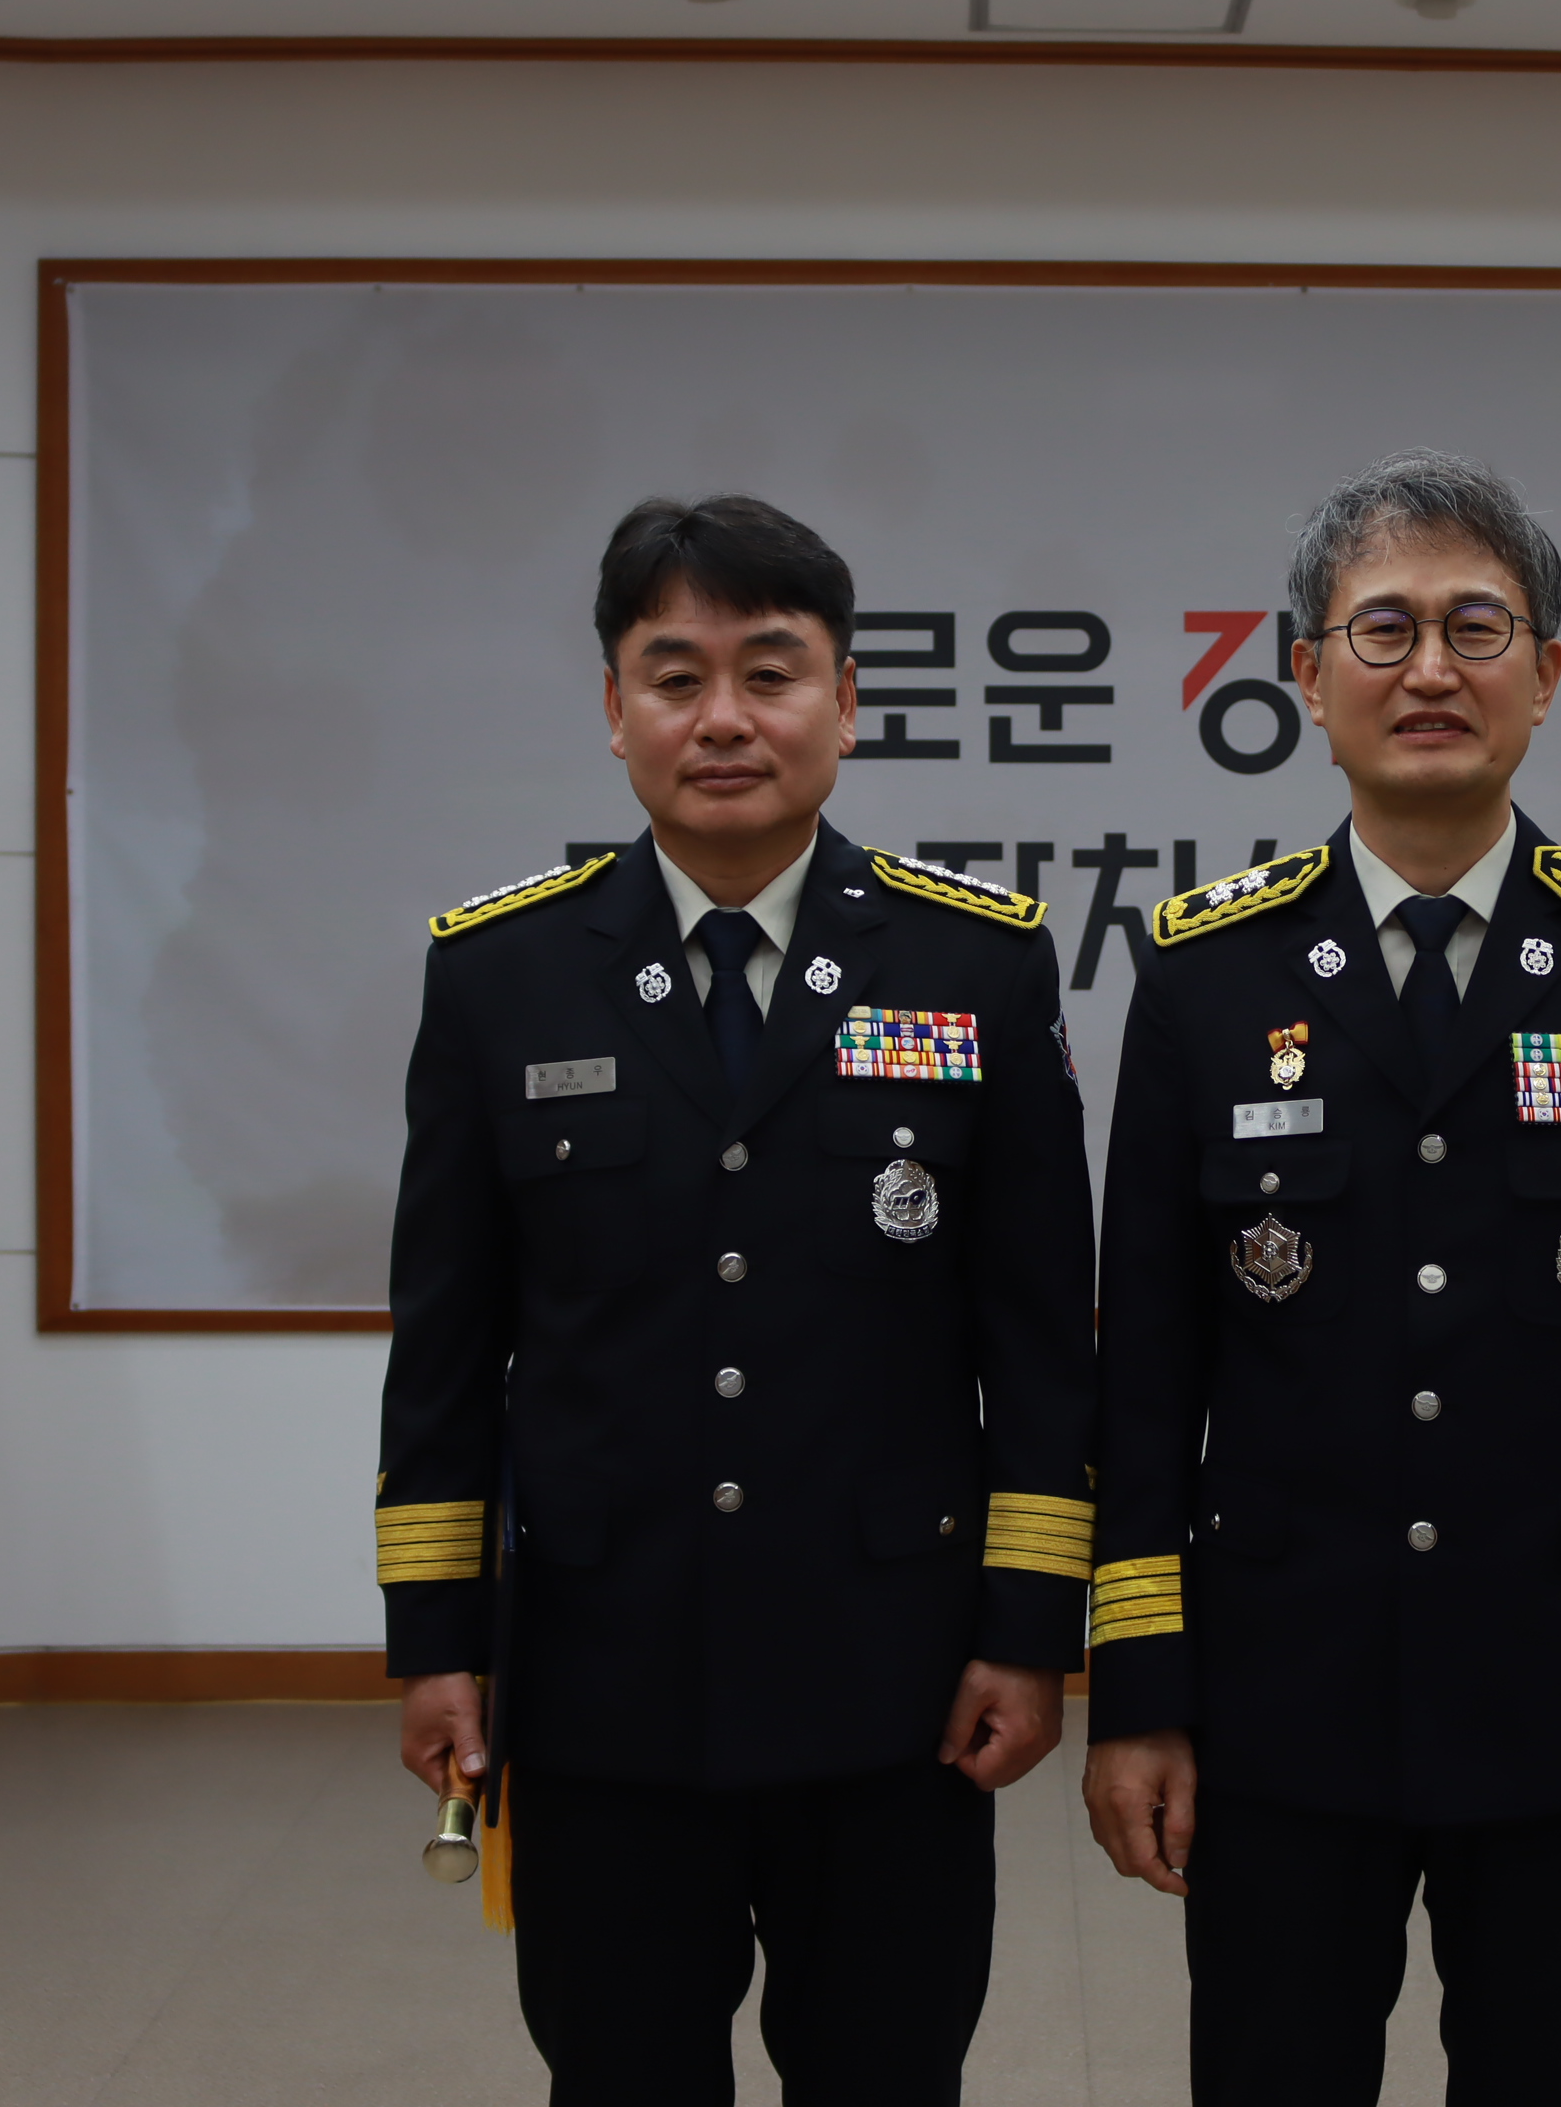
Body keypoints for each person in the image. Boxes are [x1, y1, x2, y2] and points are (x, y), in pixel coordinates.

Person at [1081, 451, 1561, 2107]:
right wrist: (1141, 1696)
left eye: (1478, 627)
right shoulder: (1203, 974)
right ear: (1304, 676)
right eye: (1382, 630)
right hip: (1278, 1699)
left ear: (1545, 674)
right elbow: (1148, 1377)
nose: (1430, 670)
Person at [376, 495, 1097, 2105]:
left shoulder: (975, 965)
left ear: (846, 703)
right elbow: (447, 1352)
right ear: (613, 707)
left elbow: (1044, 1344)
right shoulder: (500, 974)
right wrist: (437, 1643)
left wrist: (1027, 1633)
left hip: (896, 1687)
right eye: (675, 675)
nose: (722, 719)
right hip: (600, 1687)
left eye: (769, 673)